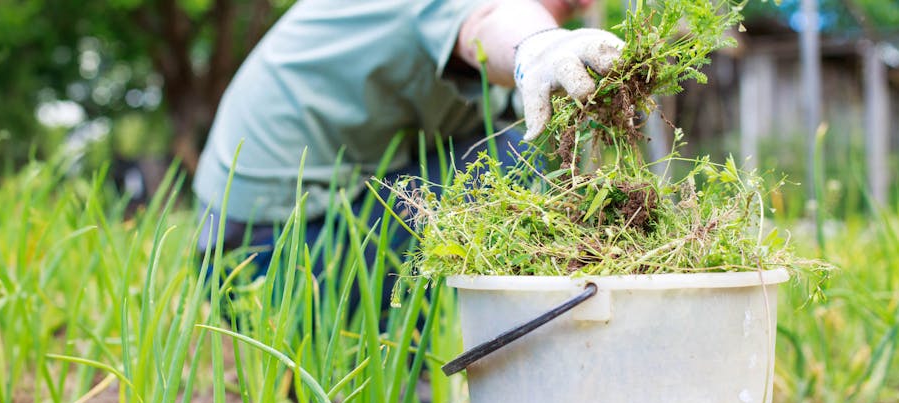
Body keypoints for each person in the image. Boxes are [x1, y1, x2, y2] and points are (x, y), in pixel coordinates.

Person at [193, 0, 623, 292]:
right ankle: (397, 355)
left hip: (308, 227)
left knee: (517, 156)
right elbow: (489, 18)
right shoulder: (494, 18)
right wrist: (540, 43)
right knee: (507, 166)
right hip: (259, 256)